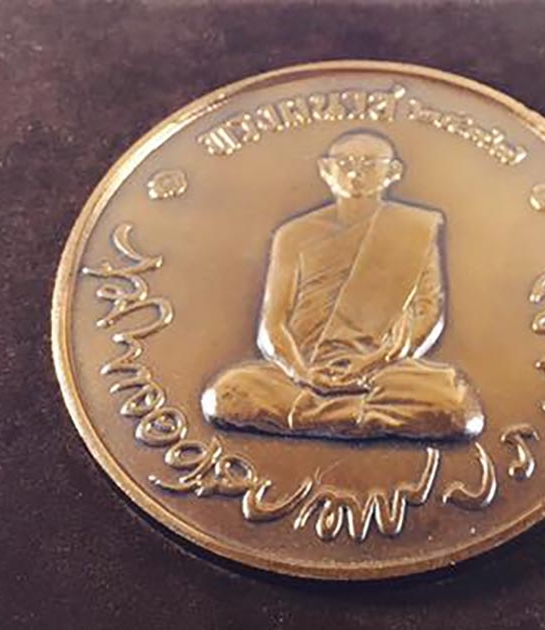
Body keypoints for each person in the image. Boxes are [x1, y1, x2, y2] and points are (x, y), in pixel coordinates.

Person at [201, 130, 484, 440]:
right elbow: (273, 324)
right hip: (302, 368)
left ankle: (314, 413)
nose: (355, 173)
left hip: (382, 368)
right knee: (226, 393)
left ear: (393, 172)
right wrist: (303, 372)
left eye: (369, 164)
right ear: (326, 169)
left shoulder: (414, 229)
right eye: (345, 163)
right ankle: (360, 415)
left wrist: (372, 364)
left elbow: (427, 311)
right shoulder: (294, 234)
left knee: (455, 405)